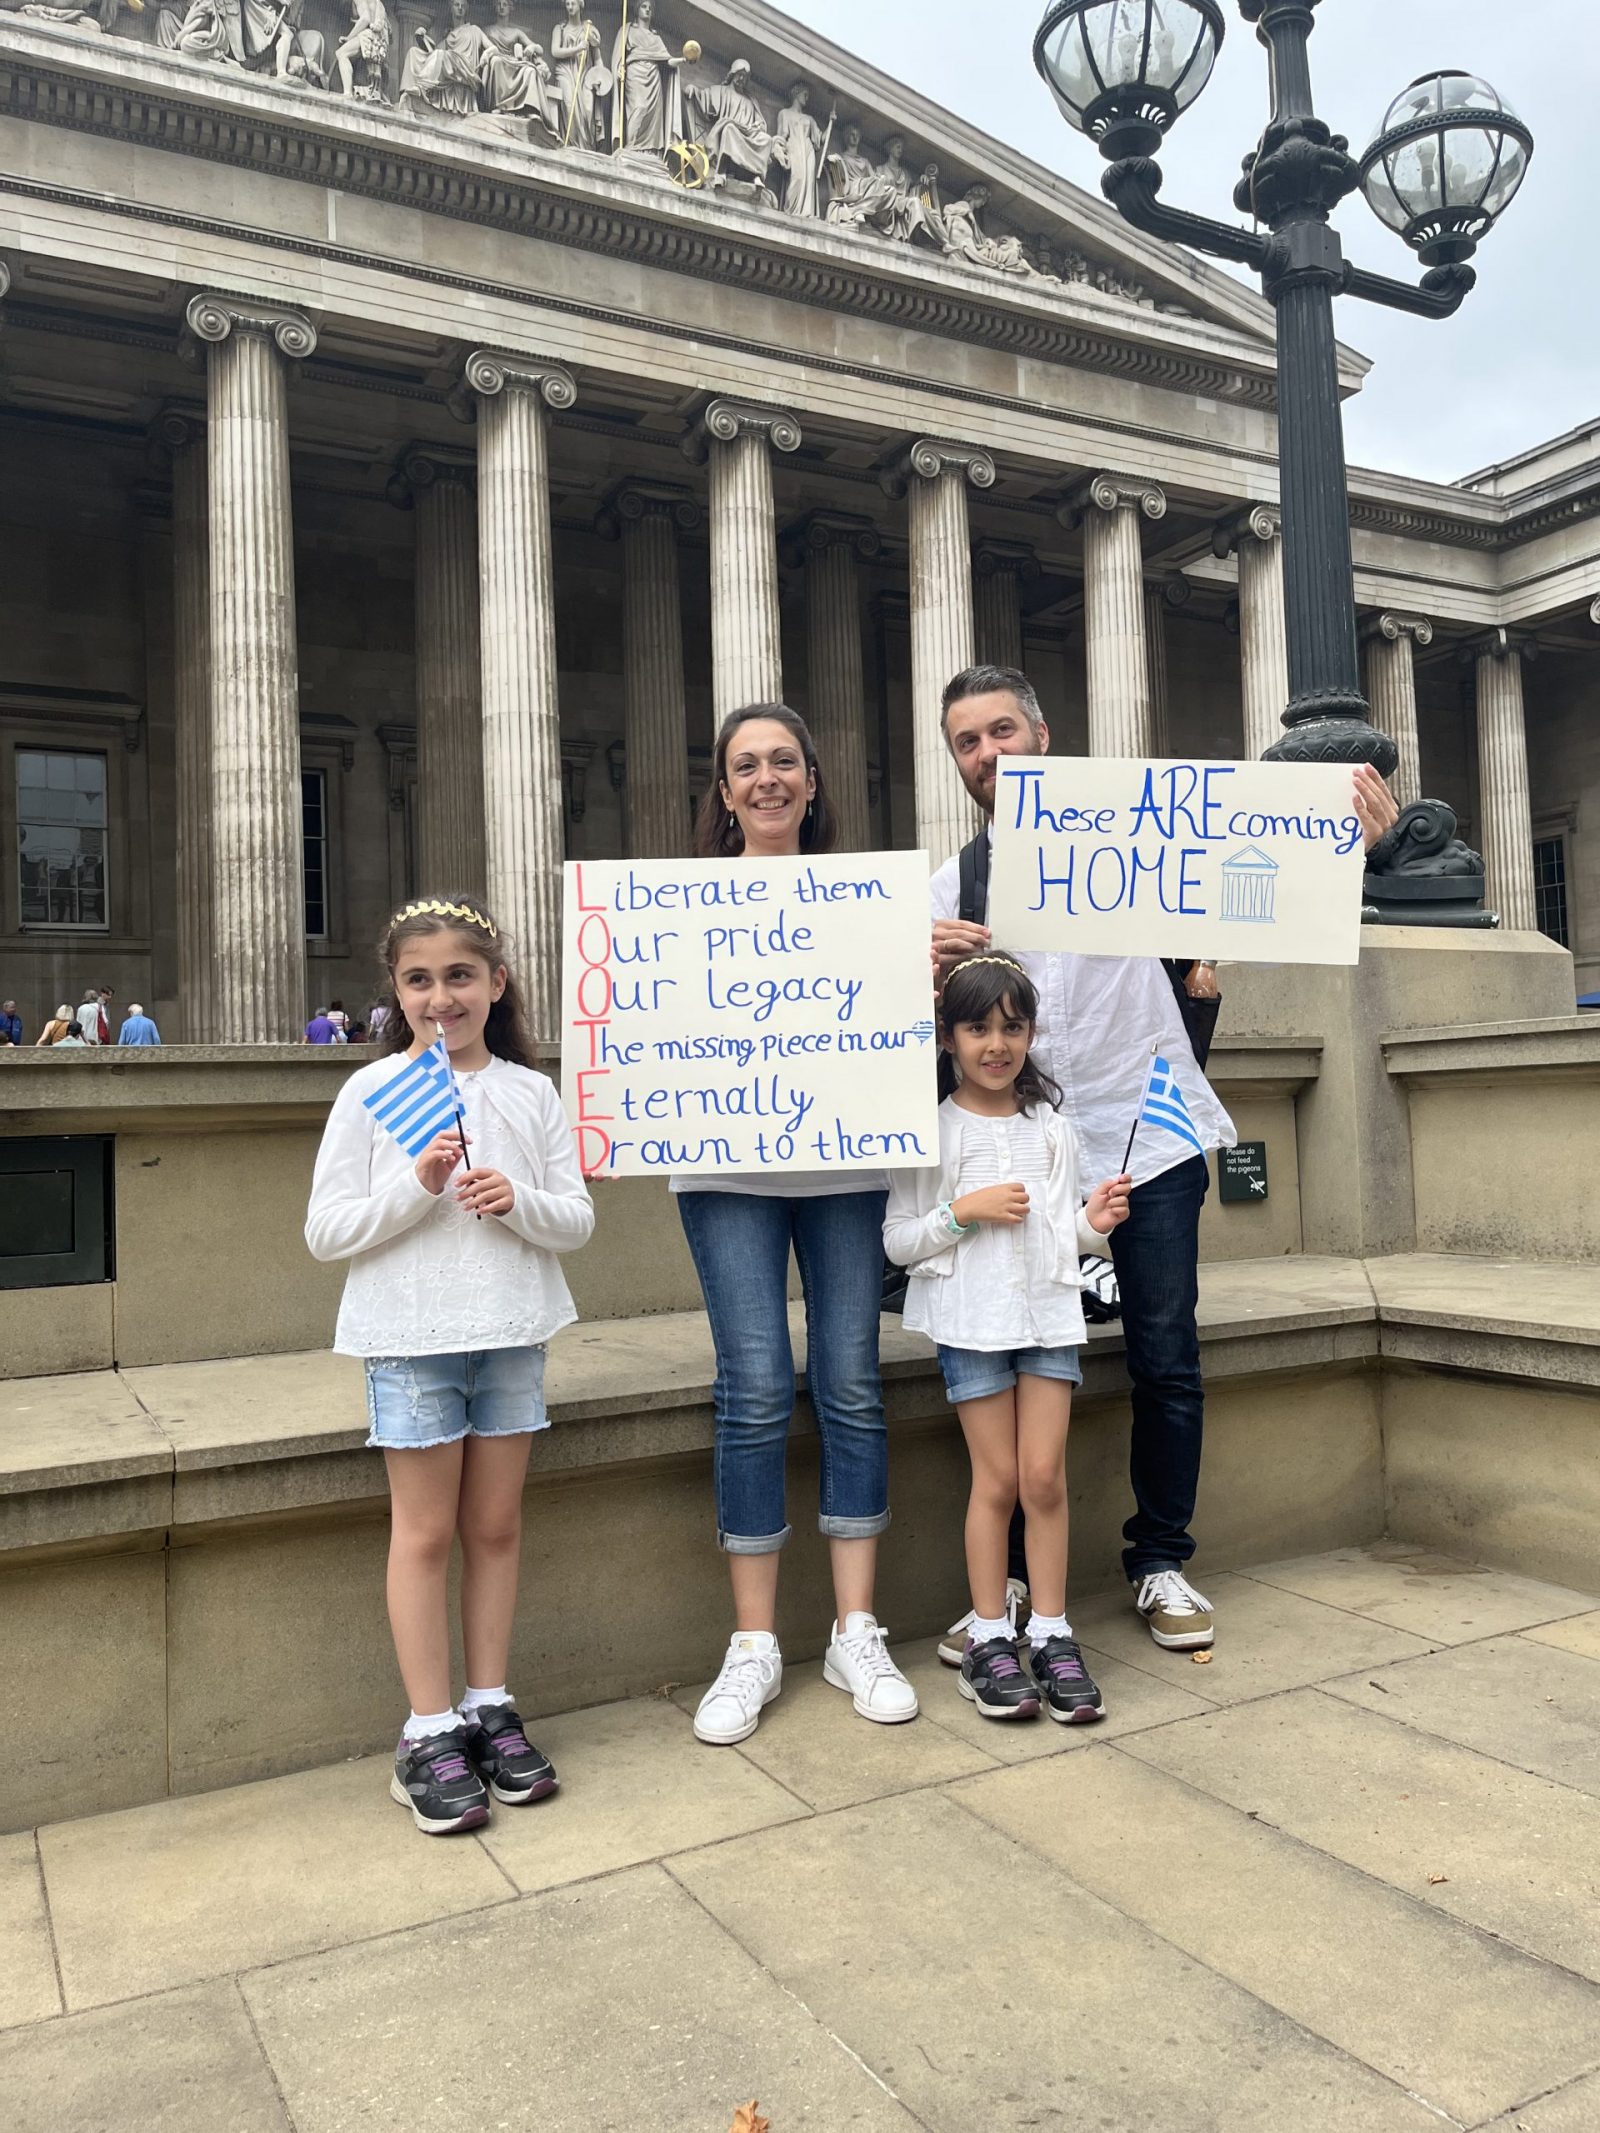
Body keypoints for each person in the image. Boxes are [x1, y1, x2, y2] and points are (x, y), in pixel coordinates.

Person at [930, 665, 1400, 1657]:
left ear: (1042, 733)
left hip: (1153, 1136)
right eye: (967, 741)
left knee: (1165, 1356)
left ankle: (1158, 1560)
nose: (988, 753)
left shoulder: (1137, 839)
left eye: (1001, 729)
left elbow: (1270, 880)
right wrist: (914, 960)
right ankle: (1010, 1583)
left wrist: (1352, 846)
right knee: (1017, 1356)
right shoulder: (954, 888)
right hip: (1036, 1156)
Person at [306, 895, 594, 1835]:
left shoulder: (530, 1091)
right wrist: (414, 1186)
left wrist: (515, 1200)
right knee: (424, 1534)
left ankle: (488, 1703)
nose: (442, 997)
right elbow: (325, 1231)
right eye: (420, 980)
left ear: (496, 983)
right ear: (395, 990)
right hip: (410, 1334)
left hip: (510, 1327)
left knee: (497, 1526)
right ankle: (427, 1730)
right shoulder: (370, 1090)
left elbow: (577, 1219)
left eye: (460, 976)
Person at [677, 703, 918, 1747]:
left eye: (784, 762)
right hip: (726, 1169)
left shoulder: (871, 903)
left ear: (813, 782)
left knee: (852, 1379)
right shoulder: (674, 908)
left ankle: (855, 1628)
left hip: (848, 1167)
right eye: (746, 766)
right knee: (756, 1386)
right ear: (723, 792)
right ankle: (755, 1642)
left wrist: (929, 956)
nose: (767, 780)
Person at [886, 954, 1130, 1720]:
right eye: (979, 1026)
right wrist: (967, 1209)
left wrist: (1095, 1224)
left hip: (1047, 1317)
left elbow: (1065, 1235)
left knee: (1044, 1477)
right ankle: (991, 1637)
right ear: (948, 1036)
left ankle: (1053, 1632)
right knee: (995, 1481)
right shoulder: (931, 1129)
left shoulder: (1052, 1129)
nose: (997, 1043)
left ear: (1030, 1034)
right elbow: (898, 1240)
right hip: (971, 1322)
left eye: (1012, 1027)